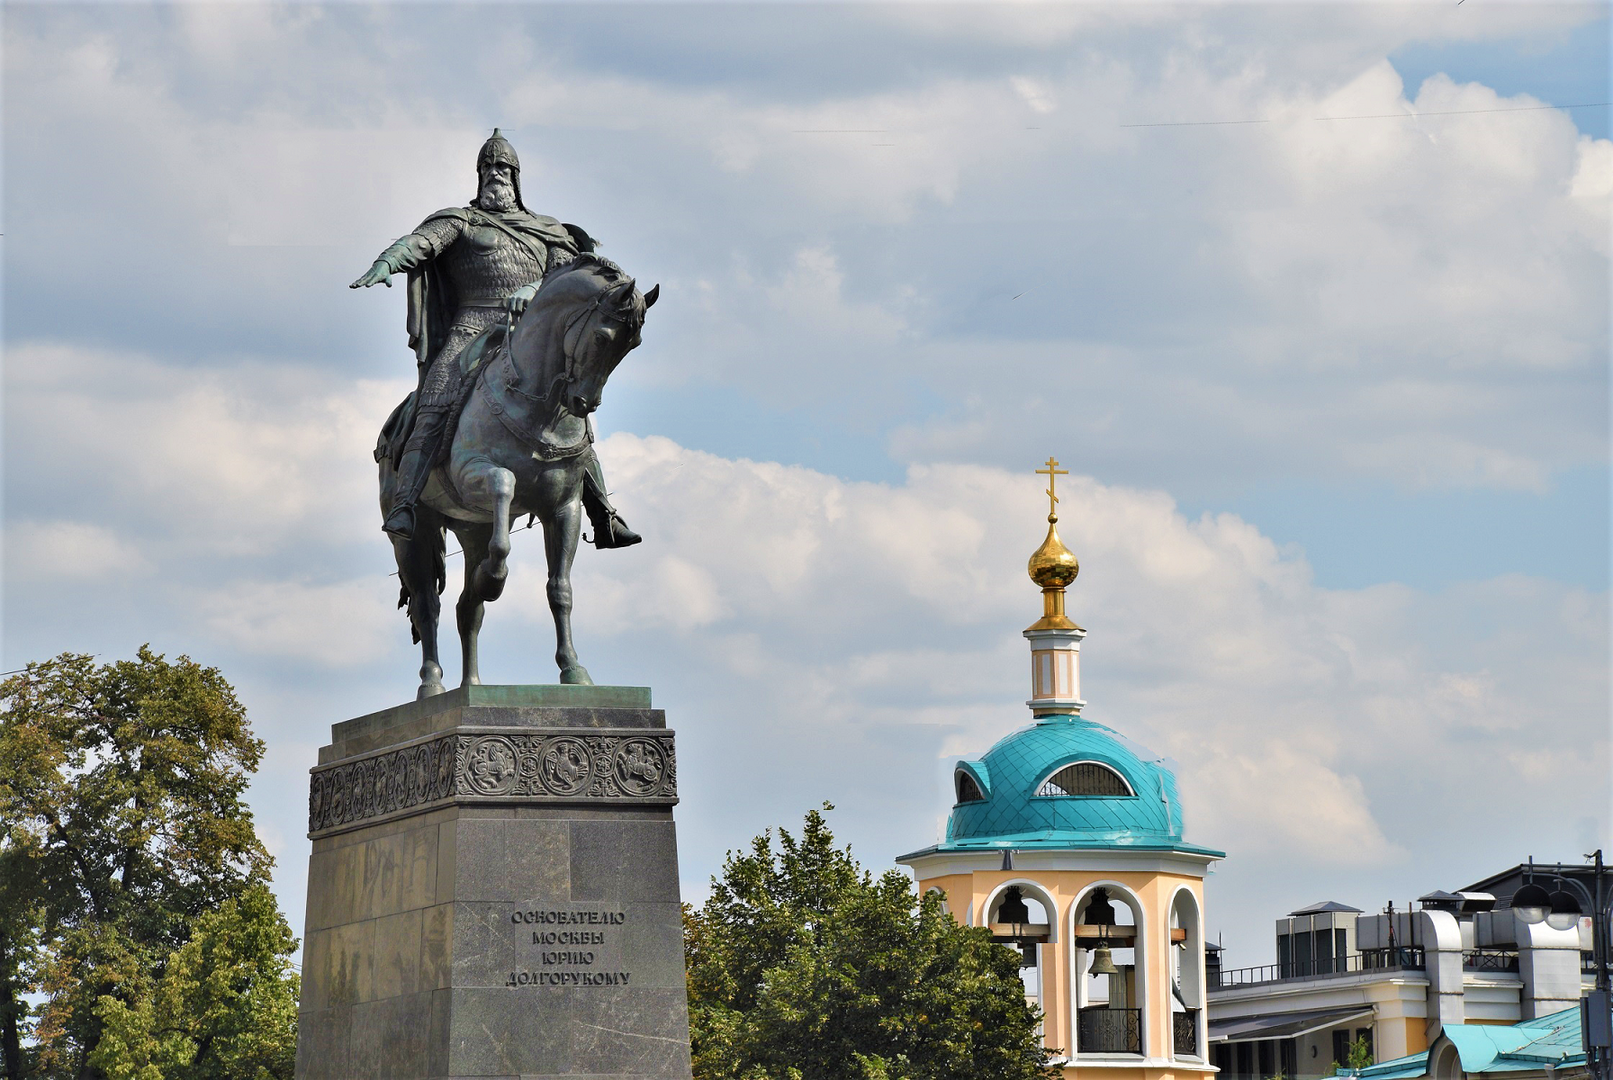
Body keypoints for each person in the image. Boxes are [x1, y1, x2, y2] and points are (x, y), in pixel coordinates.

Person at [351, 129, 640, 548]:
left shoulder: (547, 232)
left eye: (503, 168)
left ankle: (603, 514)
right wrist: (388, 261)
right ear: (479, 175)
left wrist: (534, 291)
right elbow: (422, 244)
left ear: (516, 177)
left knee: (573, 415)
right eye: (487, 168)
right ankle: (407, 503)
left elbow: (564, 278)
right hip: (469, 328)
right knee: (435, 400)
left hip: (530, 336)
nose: (495, 174)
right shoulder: (462, 221)